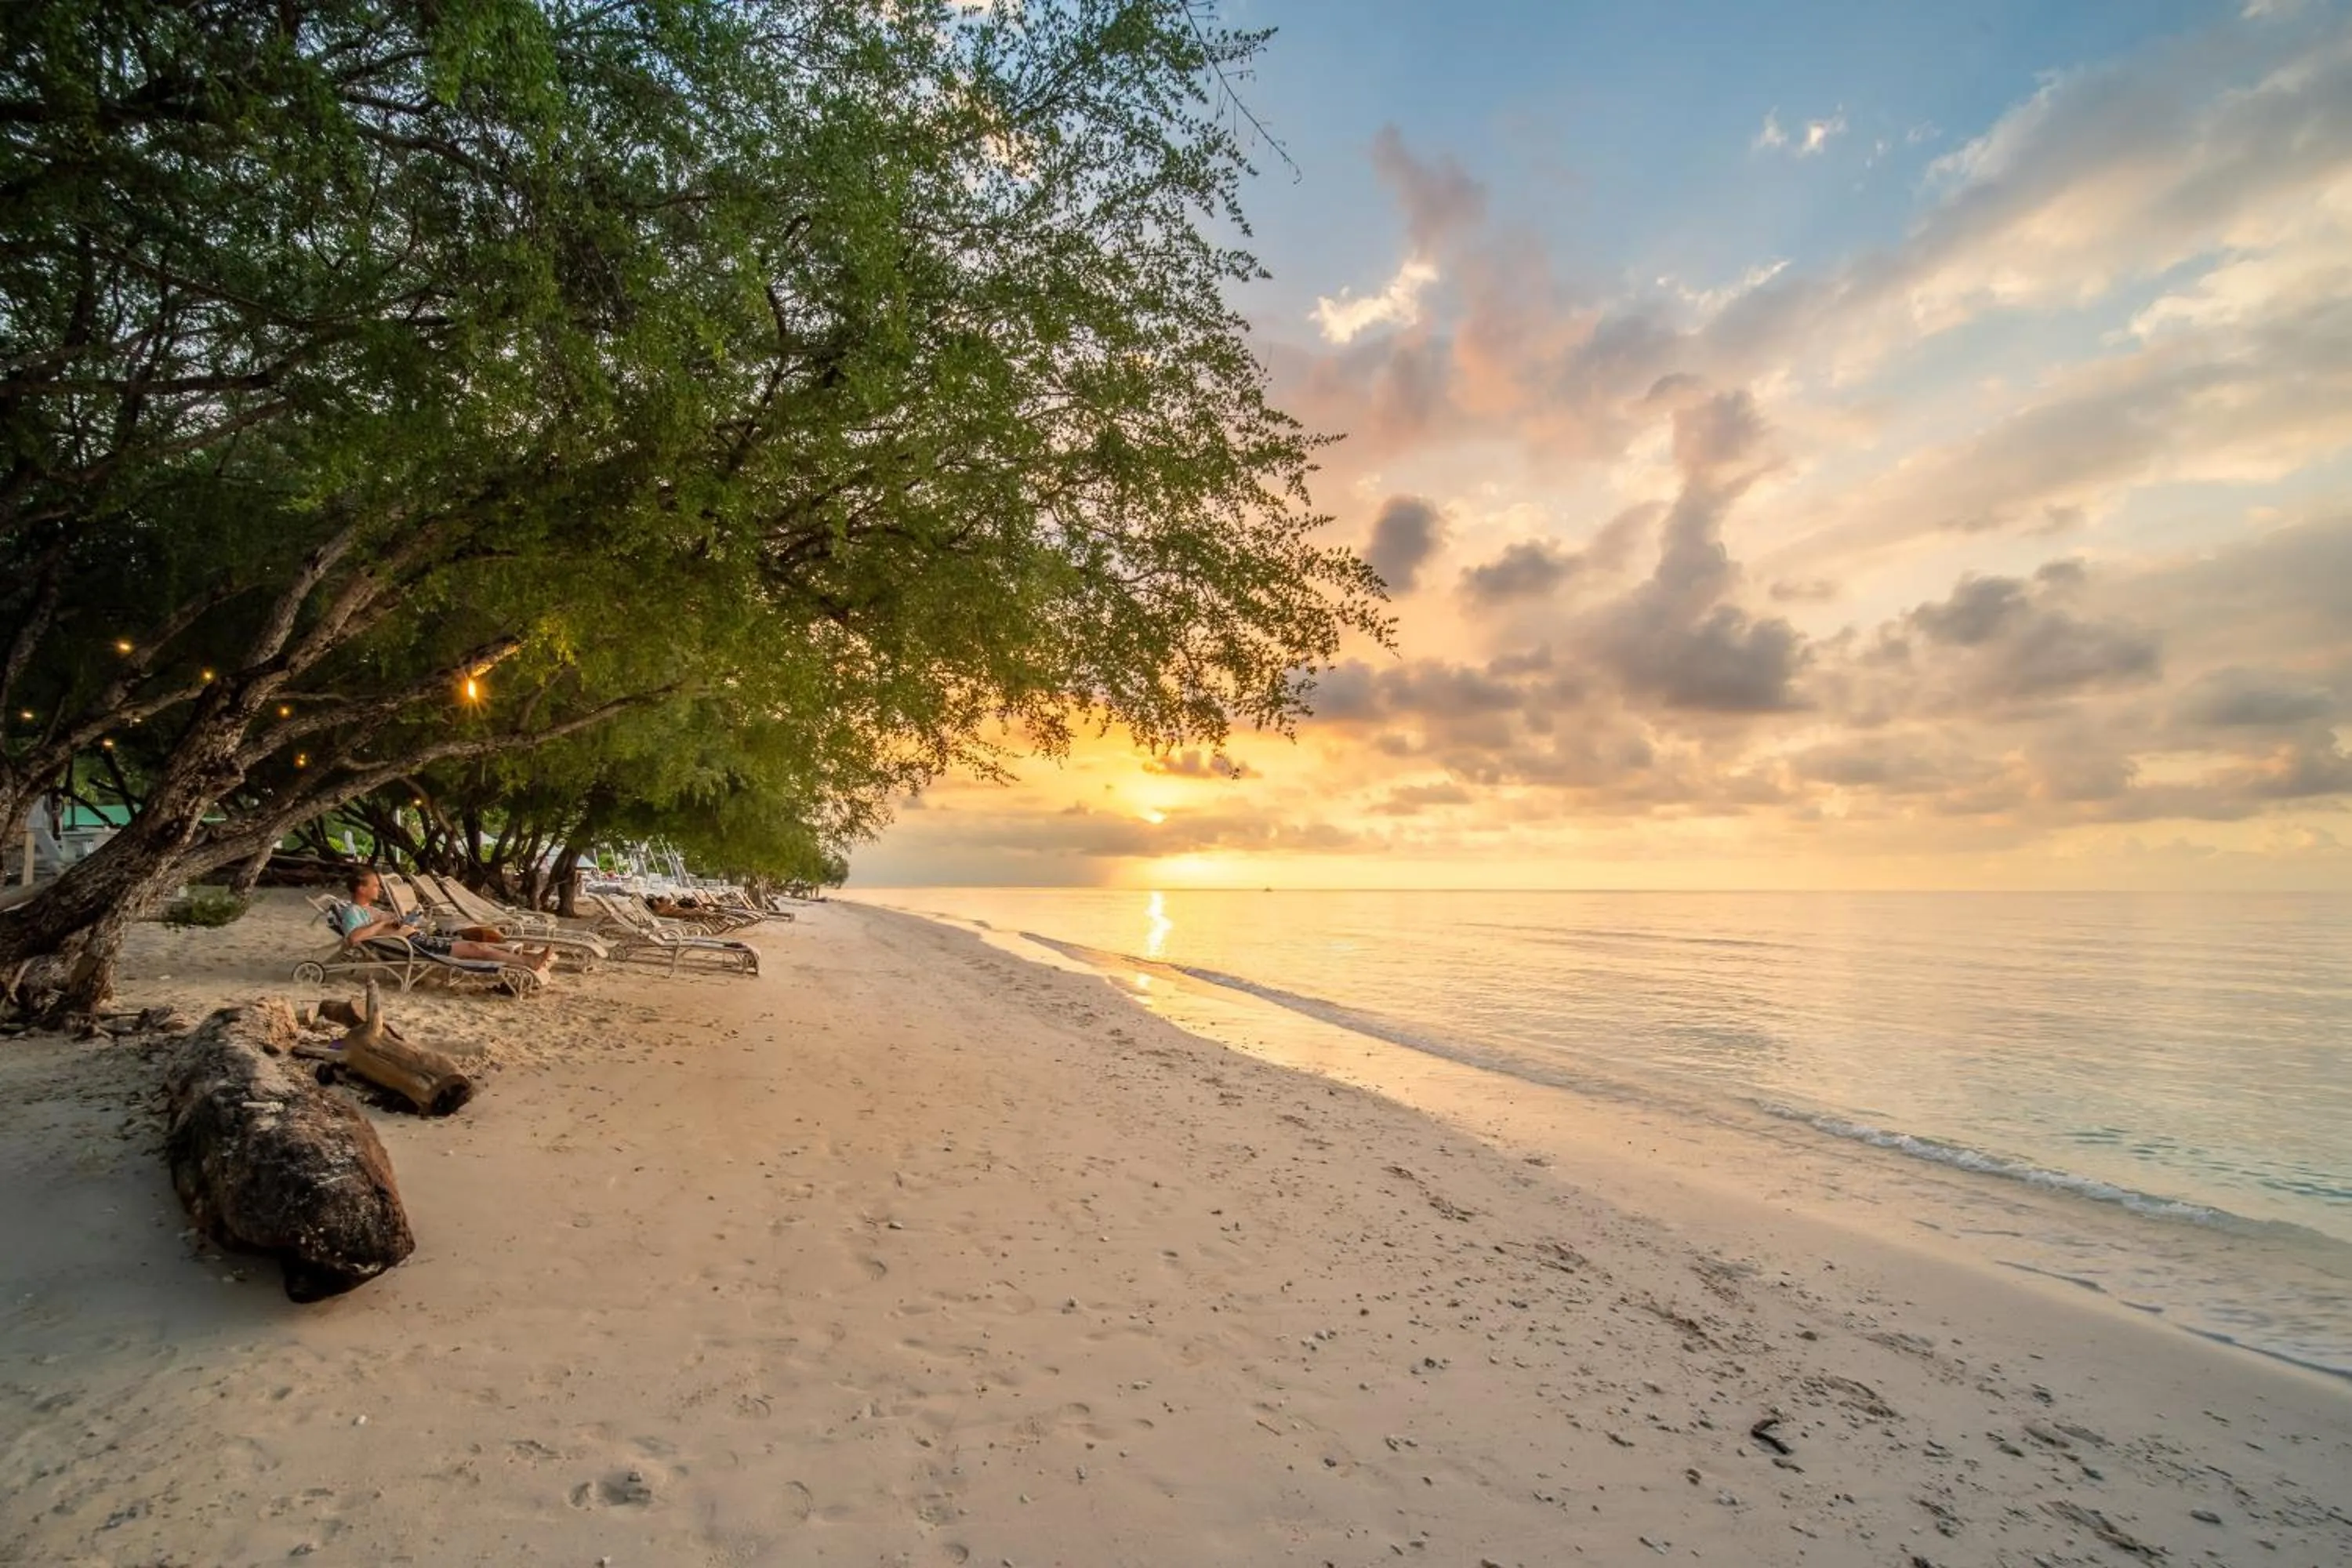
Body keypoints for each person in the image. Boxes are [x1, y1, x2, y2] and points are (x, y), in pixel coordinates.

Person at [336, 869, 554, 976]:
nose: (379, 889)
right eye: (375, 886)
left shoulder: (368, 909)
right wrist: (381, 923)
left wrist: (399, 921)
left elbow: (383, 928)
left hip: (417, 939)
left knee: (478, 942)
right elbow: (353, 939)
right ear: (361, 889)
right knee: (476, 948)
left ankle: (527, 959)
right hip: (417, 946)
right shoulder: (352, 912)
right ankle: (528, 962)